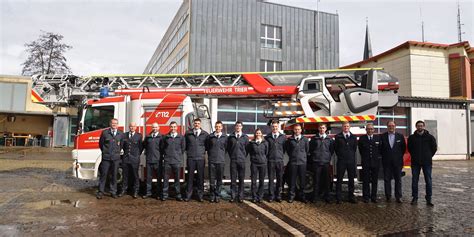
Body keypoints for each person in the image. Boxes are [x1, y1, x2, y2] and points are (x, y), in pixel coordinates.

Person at [407, 120, 437, 207]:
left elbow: (434, 148)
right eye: (418, 126)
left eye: (421, 126)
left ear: (424, 126)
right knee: (414, 180)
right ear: (416, 127)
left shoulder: (430, 137)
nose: (420, 127)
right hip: (415, 162)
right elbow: (409, 148)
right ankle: (415, 198)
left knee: (428, 180)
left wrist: (428, 156)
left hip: (427, 162)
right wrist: (415, 156)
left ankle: (429, 198)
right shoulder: (412, 137)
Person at [97, 118, 124, 199]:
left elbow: (121, 145)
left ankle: (113, 192)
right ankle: (100, 192)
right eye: (113, 123)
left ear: (117, 125)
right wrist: (106, 152)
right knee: (103, 175)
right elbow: (101, 144)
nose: (114, 125)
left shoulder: (120, 134)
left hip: (116, 159)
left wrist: (116, 153)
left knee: (114, 176)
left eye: (115, 123)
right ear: (110, 124)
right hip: (106, 158)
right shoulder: (105, 133)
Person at [380, 121, 406, 203]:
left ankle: (398, 197)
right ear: (387, 126)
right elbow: (381, 149)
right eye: (389, 125)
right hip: (386, 162)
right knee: (387, 180)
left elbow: (403, 149)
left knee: (398, 180)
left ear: (395, 126)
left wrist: (397, 157)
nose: (391, 127)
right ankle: (388, 196)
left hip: (397, 162)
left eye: (393, 125)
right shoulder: (383, 136)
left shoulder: (400, 136)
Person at [308, 123, 334, 203]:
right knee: (316, 181)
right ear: (318, 129)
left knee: (327, 181)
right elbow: (311, 150)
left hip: (326, 163)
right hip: (316, 162)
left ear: (326, 129)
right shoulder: (314, 139)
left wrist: (327, 158)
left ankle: (327, 197)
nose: (322, 129)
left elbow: (331, 151)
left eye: (323, 128)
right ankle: (315, 197)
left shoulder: (329, 139)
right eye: (320, 128)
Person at [184, 118, 209, 202]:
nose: (197, 124)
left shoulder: (205, 134)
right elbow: (185, 146)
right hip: (191, 158)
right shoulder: (188, 134)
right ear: (193, 124)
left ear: (200, 124)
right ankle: (188, 195)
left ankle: (200, 196)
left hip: (200, 159)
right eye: (195, 123)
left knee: (200, 178)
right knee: (190, 178)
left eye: (198, 123)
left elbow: (207, 146)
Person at [358, 123, 382, 203]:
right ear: (366, 130)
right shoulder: (362, 138)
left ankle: (373, 197)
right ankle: (366, 197)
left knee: (375, 181)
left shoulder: (378, 138)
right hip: (366, 162)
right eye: (368, 129)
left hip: (375, 162)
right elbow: (361, 150)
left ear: (374, 130)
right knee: (366, 180)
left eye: (371, 129)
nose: (370, 130)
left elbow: (380, 150)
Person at [161, 121, 185, 201]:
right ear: (170, 127)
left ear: (177, 127)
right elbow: (162, 148)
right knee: (165, 179)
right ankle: (164, 195)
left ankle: (178, 195)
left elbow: (183, 148)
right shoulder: (165, 137)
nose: (173, 128)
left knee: (177, 179)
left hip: (176, 161)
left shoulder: (181, 137)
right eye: (171, 127)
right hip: (167, 161)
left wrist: (177, 156)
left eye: (174, 126)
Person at [334, 121, 358, 204]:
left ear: (349, 127)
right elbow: (336, 149)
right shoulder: (338, 137)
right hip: (341, 161)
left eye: (347, 126)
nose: (346, 128)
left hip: (351, 161)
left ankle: (351, 197)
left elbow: (354, 149)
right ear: (342, 127)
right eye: (344, 126)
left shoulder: (353, 137)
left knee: (351, 180)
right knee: (339, 179)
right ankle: (338, 197)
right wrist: (341, 155)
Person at [285, 123, 309, 203]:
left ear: (301, 130)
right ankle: (291, 196)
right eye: (295, 129)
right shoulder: (290, 140)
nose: (297, 131)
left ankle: (302, 196)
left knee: (302, 180)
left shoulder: (305, 140)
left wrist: (303, 158)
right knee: (292, 180)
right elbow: (288, 151)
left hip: (302, 163)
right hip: (293, 162)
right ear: (293, 130)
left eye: (298, 129)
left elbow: (307, 150)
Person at [206, 121, 228, 203]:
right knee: (211, 179)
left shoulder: (225, 137)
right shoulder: (210, 137)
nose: (218, 128)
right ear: (215, 127)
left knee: (219, 179)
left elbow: (226, 148)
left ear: (221, 127)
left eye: (219, 126)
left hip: (221, 161)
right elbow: (208, 147)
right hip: (212, 161)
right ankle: (212, 195)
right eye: (216, 126)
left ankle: (217, 195)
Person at [264, 120, 286, 202]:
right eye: (273, 126)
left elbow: (284, 149)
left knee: (280, 179)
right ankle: (271, 196)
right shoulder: (267, 137)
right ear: (271, 127)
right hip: (271, 161)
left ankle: (278, 195)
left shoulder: (283, 137)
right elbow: (266, 149)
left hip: (279, 161)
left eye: (276, 126)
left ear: (278, 127)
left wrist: (279, 155)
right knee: (271, 179)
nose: (275, 128)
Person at [120, 122, 143, 199]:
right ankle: (124, 190)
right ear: (129, 127)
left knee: (135, 175)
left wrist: (136, 155)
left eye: (133, 126)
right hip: (126, 158)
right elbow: (122, 146)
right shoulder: (124, 135)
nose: (132, 128)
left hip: (135, 159)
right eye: (131, 126)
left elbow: (140, 148)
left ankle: (136, 191)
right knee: (125, 175)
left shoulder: (139, 136)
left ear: (136, 127)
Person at [227, 121, 249, 203]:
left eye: (239, 126)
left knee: (241, 180)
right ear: (235, 127)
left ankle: (240, 196)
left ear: (242, 127)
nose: (238, 127)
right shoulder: (231, 137)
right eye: (237, 126)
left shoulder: (245, 137)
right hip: (233, 160)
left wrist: (242, 156)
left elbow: (247, 149)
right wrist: (232, 156)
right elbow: (229, 149)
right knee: (233, 180)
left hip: (242, 161)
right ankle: (233, 196)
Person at [247, 128, 269, 203]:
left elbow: (266, 152)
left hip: (263, 164)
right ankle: (254, 196)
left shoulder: (265, 143)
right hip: (254, 164)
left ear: (261, 134)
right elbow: (250, 151)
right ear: (255, 134)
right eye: (257, 133)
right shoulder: (252, 143)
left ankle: (260, 197)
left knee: (261, 181)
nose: (258, 134)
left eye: (259, 133)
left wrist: (262, 159)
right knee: (253, 181)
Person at [142, 123, 163, 199]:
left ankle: (158, 194)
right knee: (148, 178)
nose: (155, 128)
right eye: (153, 127)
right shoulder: (148, 137)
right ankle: (148, 193)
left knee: (159, 178)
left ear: (159, 127)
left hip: (158, 160)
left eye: (156, 127)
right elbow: (144, 146)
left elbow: (162, 148)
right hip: (149, 160)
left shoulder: (161, 137)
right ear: (152, 128)